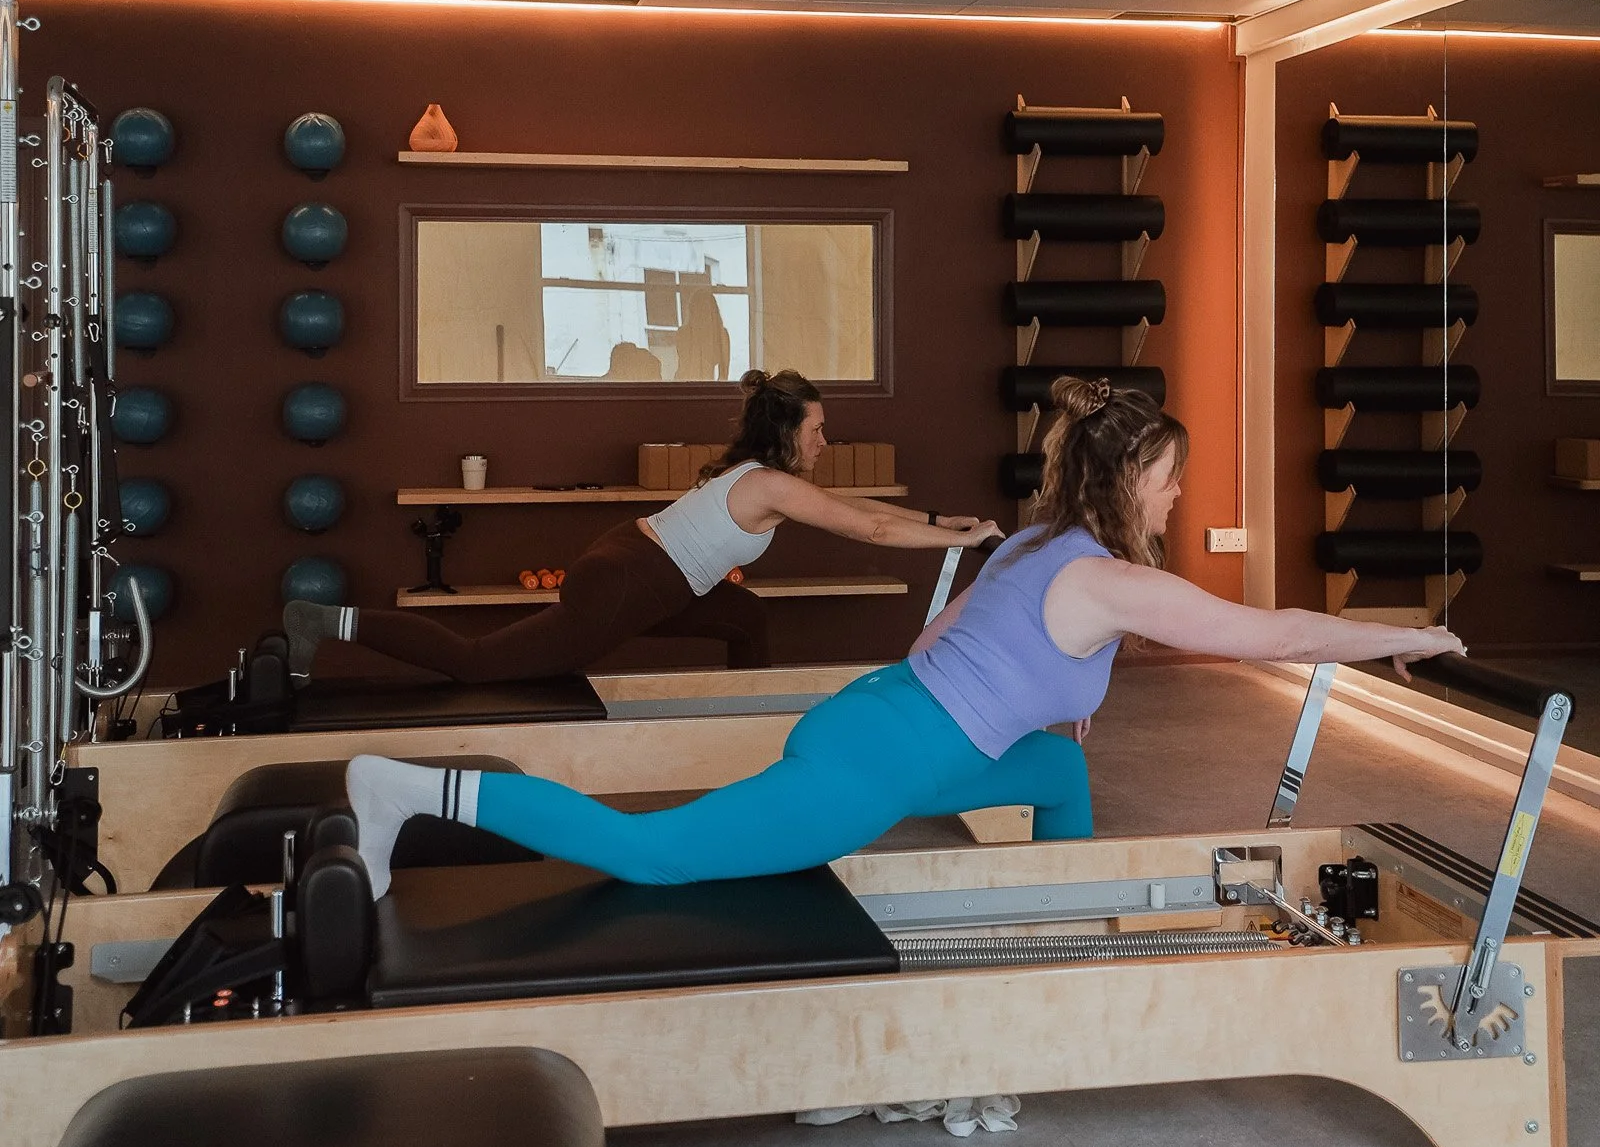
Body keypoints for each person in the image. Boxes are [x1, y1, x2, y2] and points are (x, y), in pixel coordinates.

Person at [342, 375, 1465, 896]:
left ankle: (1057, 906)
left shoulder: (1033, 543)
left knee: (1059, 763)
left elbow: (998, 667)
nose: (1178, 498)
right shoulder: (1108, 578)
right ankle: (408, 789)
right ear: (1134, 478)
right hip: (874, 760)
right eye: (1173, 480)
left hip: (891, 718)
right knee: (655, 856)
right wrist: (1401, 633)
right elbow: (1265, 631)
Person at [285, 368, 998, 685]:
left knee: (745, 617)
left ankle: (748, 737)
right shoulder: (771, 483)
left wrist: (941, 521)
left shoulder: (764, 476)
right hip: (628, 582)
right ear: (789, 430)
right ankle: (327, 622)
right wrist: (958, 541)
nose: (824, 442)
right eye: (818, 429)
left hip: (646, 572)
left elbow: (868, 510)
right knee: (477, 663)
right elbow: (868, 532)